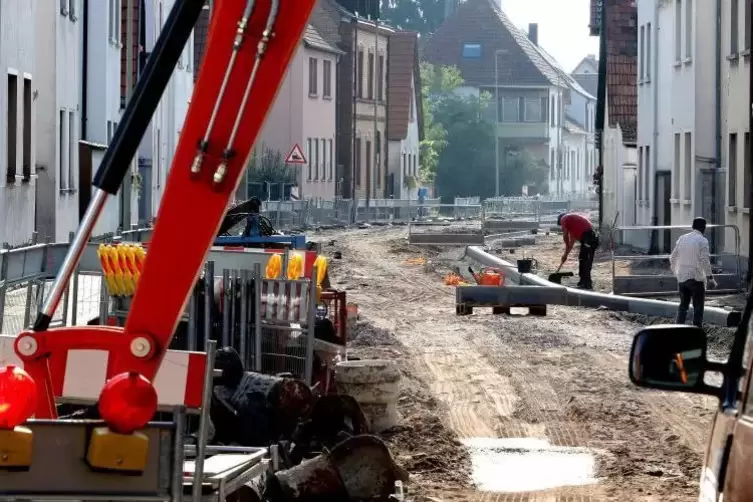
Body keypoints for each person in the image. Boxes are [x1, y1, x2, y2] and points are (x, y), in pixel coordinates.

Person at [669, 217, 717, 327]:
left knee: (683, 307)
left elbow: (672, 257)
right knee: (698, 308)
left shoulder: (682, 238)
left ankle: (678, 329)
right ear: (704, 228)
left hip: (682, 278)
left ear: (692, 227)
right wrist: (710, 278)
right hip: (696, 278)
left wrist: (676, 272)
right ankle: (696, 332)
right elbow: (705, 260)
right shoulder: (702, 241)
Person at [557, 212, 600, 289]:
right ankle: (583, 282)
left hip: (589, 238)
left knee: (585, 260)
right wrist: (565, 255)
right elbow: (571, 243)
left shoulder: (564, 218)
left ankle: (587, 283)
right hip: (588, 238)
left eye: (561, 226)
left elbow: (565, 236)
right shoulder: (573, 225)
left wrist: (566, 246)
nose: (562, 227)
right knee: (582, 259)